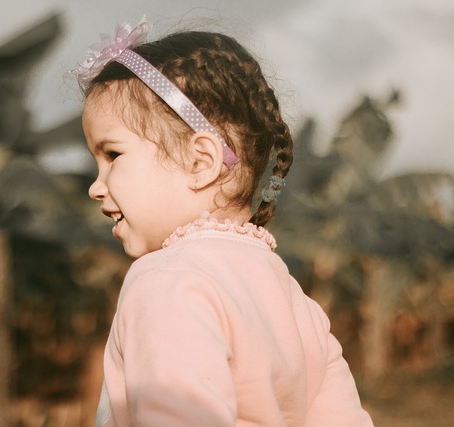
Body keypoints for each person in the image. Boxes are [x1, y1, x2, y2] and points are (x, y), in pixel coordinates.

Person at [74, 17, 374, 427]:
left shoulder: (166, 279)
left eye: (112, 156)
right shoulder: (293, 298)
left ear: (200, 161)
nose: (95, 186)